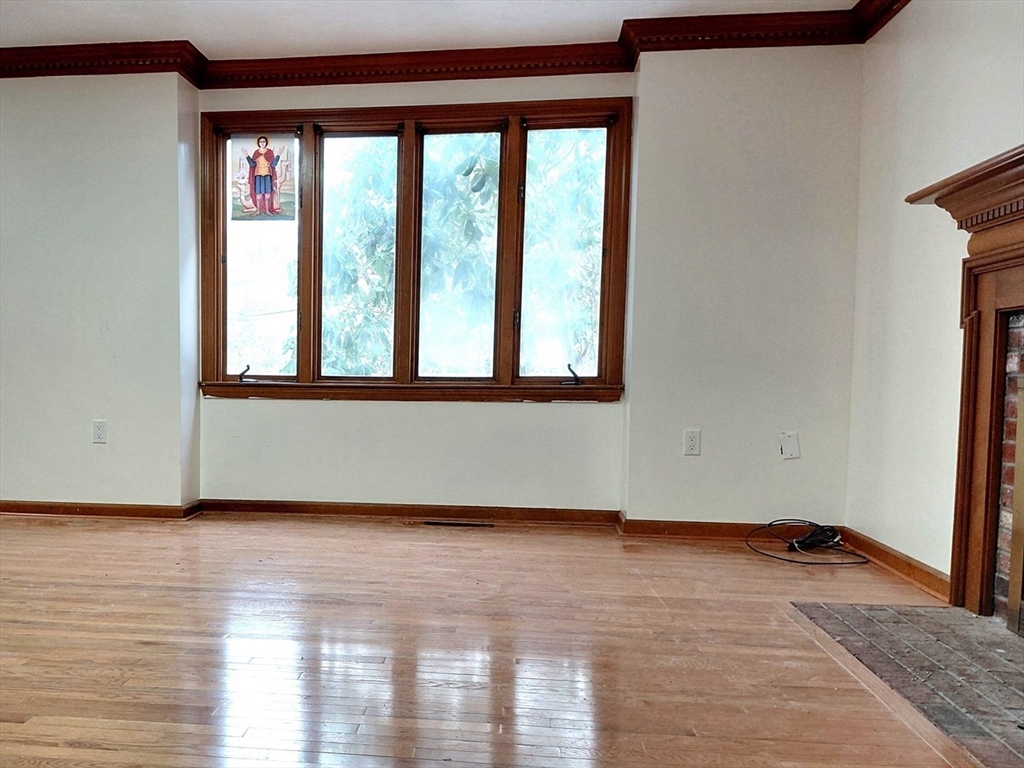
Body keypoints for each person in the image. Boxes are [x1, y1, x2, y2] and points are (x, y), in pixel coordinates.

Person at [244, 136, 281, 215]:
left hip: (267, 176)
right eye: (261, 142)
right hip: (258, 176)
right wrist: (247, 155)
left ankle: (267, 210)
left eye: (264, 141)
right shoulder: (256, 153)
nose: (262, 143)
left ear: (266, 143)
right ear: (258, 143)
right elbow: (252, 164)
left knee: (267, 194)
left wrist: (278, 154)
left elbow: (273, 165)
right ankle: (258, 210)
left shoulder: (269, 152)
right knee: (258, 195)